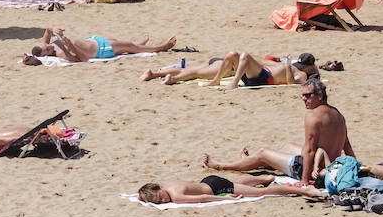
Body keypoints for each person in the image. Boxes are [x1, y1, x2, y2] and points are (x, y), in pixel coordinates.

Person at [203, 78, 353, 185]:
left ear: (320, 96)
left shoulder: (313, 117)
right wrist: (356, 166)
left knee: (263, 153)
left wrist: (305, 180)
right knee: (287, 147)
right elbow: (347, 147)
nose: (303, 99)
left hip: (312, 170)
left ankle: (222, 165)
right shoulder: (338, 115)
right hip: (330, 165)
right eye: (302, 95)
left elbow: (309, 151)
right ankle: (251, 161)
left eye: (307, 96)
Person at [141, 51, 317, 88]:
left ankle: (157, 74)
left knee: (194, 71)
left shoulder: (297, 72)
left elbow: (292, 84)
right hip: (245, 70)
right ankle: (157, 74)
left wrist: (286, 68)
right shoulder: (280, 63)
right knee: (194, 71)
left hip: (260, 76)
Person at [26, 27, 176, 64]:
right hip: (99, 50)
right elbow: (82, 58)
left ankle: (136, 46)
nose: (50, 46)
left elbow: (47, 29)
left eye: (47, 46)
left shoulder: (45, 46)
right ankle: (161, 47)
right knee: (127, 45)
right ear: (46, 55)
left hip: (93, 40)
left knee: (123, 43)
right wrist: (70, 46)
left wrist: (53, 29)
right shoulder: (60, 54)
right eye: (48, 49)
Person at [137, 176, 324, 204]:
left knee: (261, 193)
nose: (162, 201)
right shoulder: (169, 184)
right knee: (238, 183)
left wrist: (226, 198)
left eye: (159, 197)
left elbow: (203, 198)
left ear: (159, 189)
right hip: (208, 181)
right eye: (157, 202)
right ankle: (263, 178)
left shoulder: (176, 196)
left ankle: (305, 191)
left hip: (215, 188)